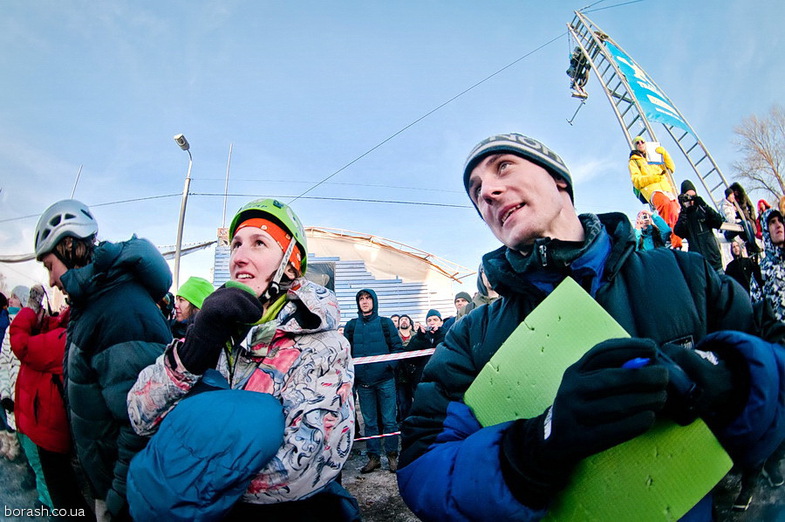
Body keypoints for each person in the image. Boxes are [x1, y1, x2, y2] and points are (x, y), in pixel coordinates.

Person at [397, 132, 785, 521]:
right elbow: (421, 467)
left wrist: (742, 381)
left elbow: (776, 352)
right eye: (476, 190)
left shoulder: (686, 275)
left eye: (503, 167)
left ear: (558, 179)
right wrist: (530, 451)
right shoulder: (471, 336)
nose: (487, 193)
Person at [127, 198, 357, 520]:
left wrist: (181, 478)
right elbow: (141, 414)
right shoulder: (215, 329)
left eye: (258, 243)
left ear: (290, 264)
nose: (239, 257)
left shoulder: (323, 344)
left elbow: (304, 464)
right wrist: (195, 349)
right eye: (235, 245)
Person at [34, 199, 172, 521]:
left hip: (125, 494)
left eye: (49, 265)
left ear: (68, 247)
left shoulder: (118, 309)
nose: (51, 279)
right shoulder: (95, 300)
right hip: (107, 480)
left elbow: (140, 422)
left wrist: (115, 501)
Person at [10, 284, 92, 515]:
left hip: (48, 430)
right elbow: (54, 327)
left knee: (59, 491)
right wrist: (41, 316)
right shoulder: (73, 328)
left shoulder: (69, 341)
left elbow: (22, 345)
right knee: (54, 481)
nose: (55, 282)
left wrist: (29, 311)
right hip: (44, 424)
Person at [344, 288, 402, 474]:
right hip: (364, 383)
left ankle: (392, 456)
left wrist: (389, 366)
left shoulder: (385, 324)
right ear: (358, 303)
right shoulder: (351, 326)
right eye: (361, 298)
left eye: (368, 298)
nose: (365, 301)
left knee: (389, 421)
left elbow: (397, 348)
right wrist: (356, 374)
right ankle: (374, 458)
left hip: (385, 381)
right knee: (370, 422)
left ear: (374, 301)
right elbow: (346, 354)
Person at [628, 135, 682, 248]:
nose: (640, 143)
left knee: (675, 211)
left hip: (666, 188)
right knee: (665, 205)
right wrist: (654, 178)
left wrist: (664, 154)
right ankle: (674, 241)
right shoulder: (634, 161)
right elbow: (636, 181)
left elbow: (671, 168)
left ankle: (677, 241)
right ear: (635, 146)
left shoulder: (654, 157)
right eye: (637, 143)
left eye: (642, 141)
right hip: (652, 189)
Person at [674, 180, 725, 273]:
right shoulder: (685, 216)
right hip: (698, 265)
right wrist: (684, 209)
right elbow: (678, 231)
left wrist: (703, 204)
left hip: (714, 261)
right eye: (688, 197)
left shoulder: (703, 211)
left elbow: (718, 222)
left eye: (693, 196)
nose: (692, 200)